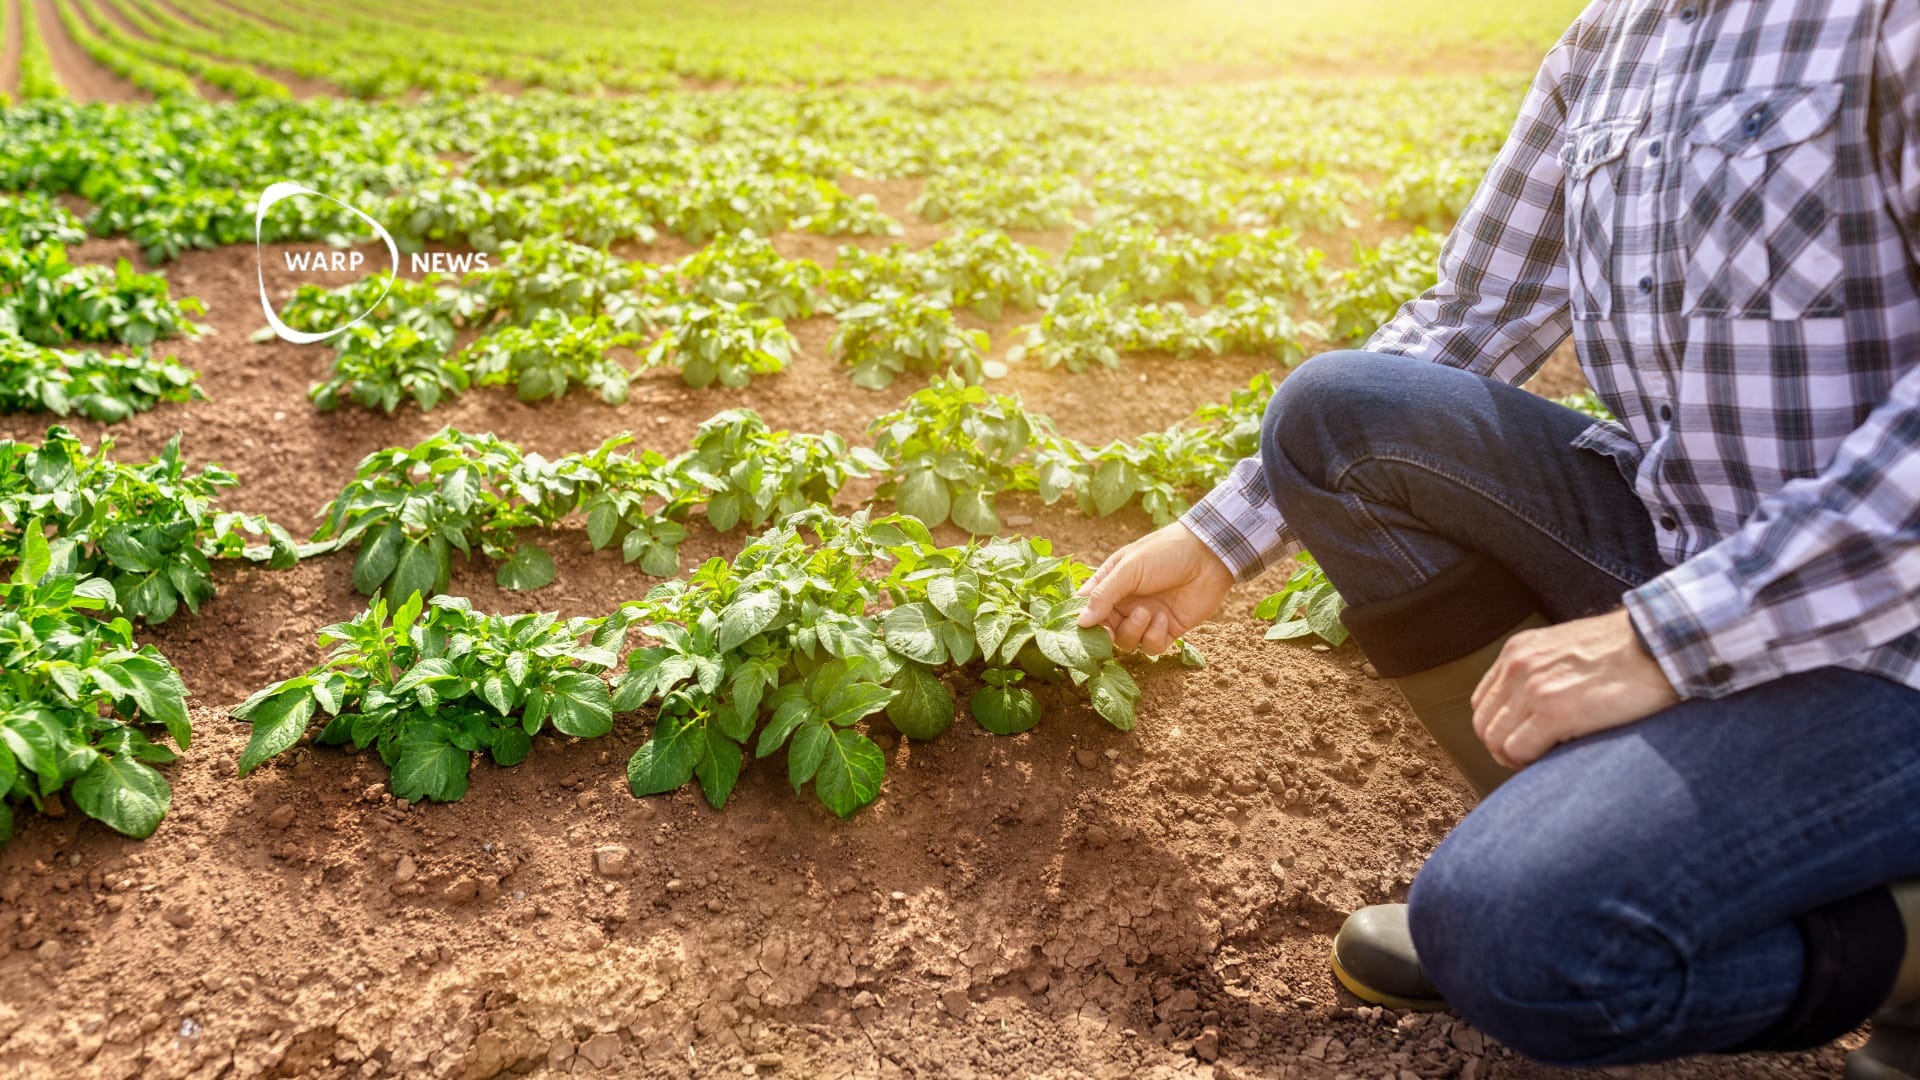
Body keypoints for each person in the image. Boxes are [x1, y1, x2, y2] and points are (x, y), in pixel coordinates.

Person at [1075, 0, 1920, 1073]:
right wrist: (1216, 538)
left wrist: (1662, 640)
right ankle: (1590, 843)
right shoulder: (1615, 35)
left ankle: (1875, 946)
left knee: (1517, 939)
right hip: (1702, 561)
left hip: (1892, 642)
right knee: (1336, 416)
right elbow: (1474, 311)